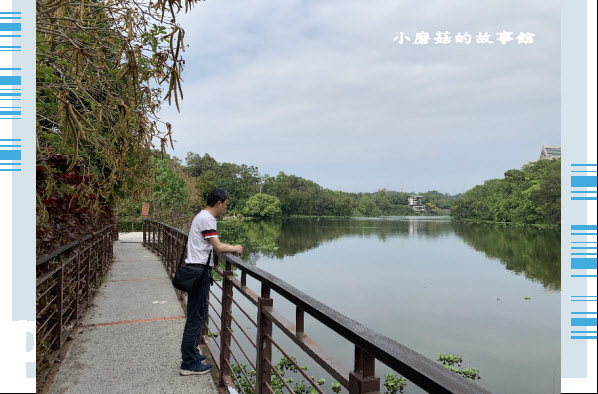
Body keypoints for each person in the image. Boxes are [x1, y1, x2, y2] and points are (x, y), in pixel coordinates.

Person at [179, 188, 243, 376]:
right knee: (196, 317)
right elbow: (218, 247)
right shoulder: (206, 219)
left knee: (198, 314)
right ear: (219, 203)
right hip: (199, 272)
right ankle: (188, 363)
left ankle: (191, 355)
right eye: (225, 204)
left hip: (197, 271)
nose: (225, 208)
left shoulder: (202, 216)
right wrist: (236, 248)